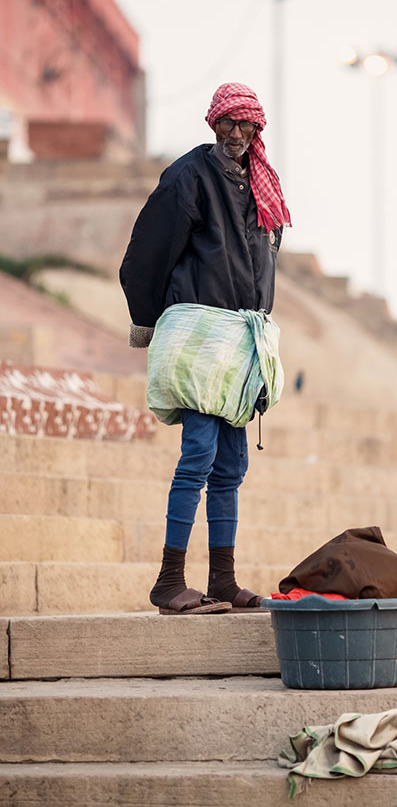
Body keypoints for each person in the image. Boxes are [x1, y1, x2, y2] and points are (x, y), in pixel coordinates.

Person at [120, 82, 291, 614]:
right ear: (213, 123)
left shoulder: (262, 184)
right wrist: (146, 318)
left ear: (257, 130)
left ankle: (223, 580)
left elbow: (266, 260)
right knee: (197, 453)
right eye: (229, 124)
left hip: (240, 343)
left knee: (231, 465)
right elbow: (147, 252)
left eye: (247, 126)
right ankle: (170, 581)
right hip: (198, 335)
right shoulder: (189, 177)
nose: (237, 134)